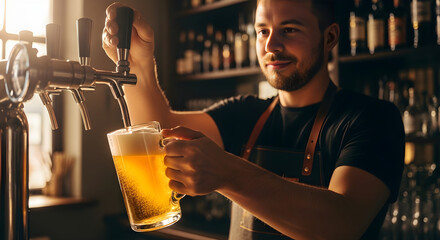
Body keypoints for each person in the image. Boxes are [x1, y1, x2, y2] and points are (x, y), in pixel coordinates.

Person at [102, 0, 405, 239]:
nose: (271, 46)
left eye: (289, 29)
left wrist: (228, 172)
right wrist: (140, 63)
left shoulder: (372, 119)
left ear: (329, 37)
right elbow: (158, 129)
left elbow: (339, 225)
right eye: (262, 31)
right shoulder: (246, 112)